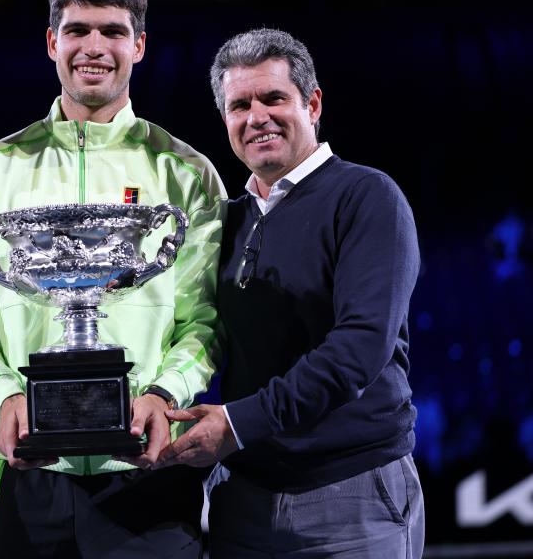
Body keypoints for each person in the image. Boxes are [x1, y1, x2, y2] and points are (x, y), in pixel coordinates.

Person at [0, 0, 227, 558]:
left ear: (139, 45)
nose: (93, 47)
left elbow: (203, 318)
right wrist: (4, 397)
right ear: (53, 42)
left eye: (113, 31)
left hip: (148, 465)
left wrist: (163, 395)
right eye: (77, 30)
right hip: (28, 468)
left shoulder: (187, 174)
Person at [155, 28, 425, 558]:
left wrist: (237, 425)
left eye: (273, 98)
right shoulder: (224, 222)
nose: (257, 117)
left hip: (351, 492)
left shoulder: (367, 197)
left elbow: (359, 348)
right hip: (241, 498)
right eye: (240, 106)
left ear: (313, 104)